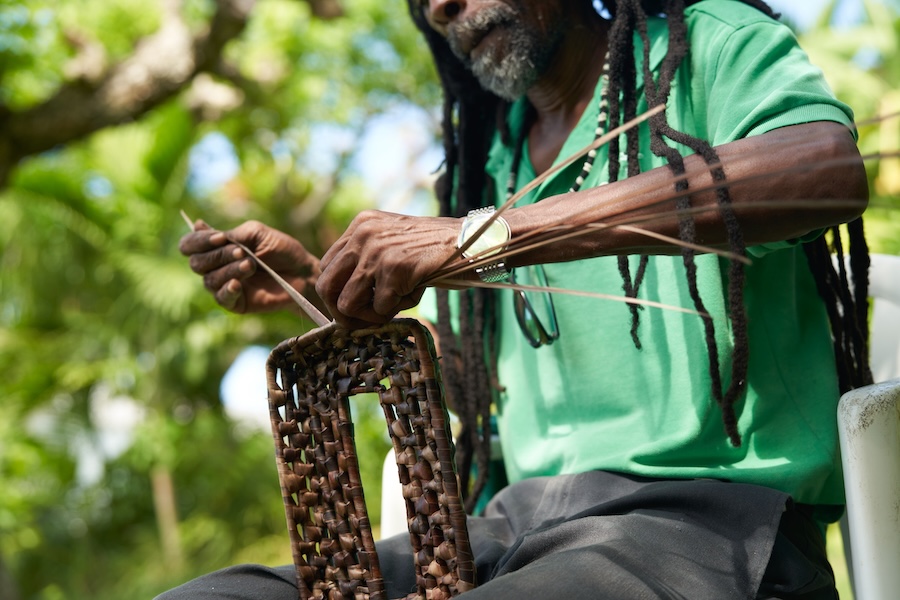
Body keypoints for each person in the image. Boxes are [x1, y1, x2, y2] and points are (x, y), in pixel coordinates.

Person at [168, 0, 872, 598]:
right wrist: (315, 283)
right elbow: (466, 371)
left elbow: (823, 170)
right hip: (512, 531)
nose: (442, 6)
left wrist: (488, 236)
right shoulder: (493, 159)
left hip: (717, 527)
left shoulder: (706, 44)